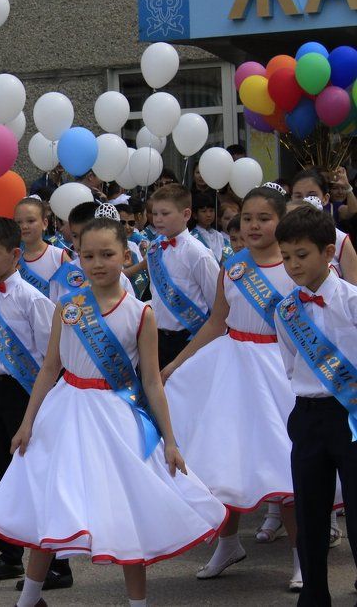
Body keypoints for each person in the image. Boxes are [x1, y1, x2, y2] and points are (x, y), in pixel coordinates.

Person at [0, 217, 228, 607]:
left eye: (107, 254)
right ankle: (29, 599)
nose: (97, 262)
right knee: (52, 503)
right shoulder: (67, 307)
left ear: (126, 256)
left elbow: (152, 381)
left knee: (127, 508)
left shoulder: (142, 313)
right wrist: (27, 422)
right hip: (65, 412)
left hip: (116, 416)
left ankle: (137, 602)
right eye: (88, 255)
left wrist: (170, 440)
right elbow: (50, 368)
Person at [161, 187, 302, 588]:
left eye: (263, 218)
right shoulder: (234, 266)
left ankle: (300, 557)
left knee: (283, 469)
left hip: (279, 374)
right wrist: (176, 363)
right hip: (232, 371)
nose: (253, 225)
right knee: (225, 463)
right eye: (247, 218)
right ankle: (227, 544)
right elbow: (216, 321)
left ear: (281, 221)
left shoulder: (294, 266)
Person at [0, 218, 68, 589]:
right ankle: (8, 553)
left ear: (14, 255)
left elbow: (50, 357)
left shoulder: (33, 300)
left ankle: (56, 562)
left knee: (35, 475)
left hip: (27, 393)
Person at [272, 205, 357, 606]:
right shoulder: (285, 310)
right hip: (307, 415)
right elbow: (291, 364)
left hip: (351, 414)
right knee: (309, 510)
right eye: (286, 256)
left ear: (328, 252)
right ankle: (315, 594)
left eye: (301, 255)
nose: (292, 265)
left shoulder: (352, 301)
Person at [146, 184, 220, 369]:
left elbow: (216, 302)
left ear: (186, 215)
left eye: (165, 213)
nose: (158, 219)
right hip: (156, 337)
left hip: (189, 338)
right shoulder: (154, 249)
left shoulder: (199, 253)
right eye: (155, 214)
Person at [290, 170, 357, 284]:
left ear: (325, 198)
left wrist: (347, 187)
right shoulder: (280, 235)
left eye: (312, 195)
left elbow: (354, 288)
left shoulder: (340, 239)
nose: (305, 201)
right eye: (298, 196)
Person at [13, 198, 72, 301]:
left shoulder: (58, 256)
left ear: (44, 223)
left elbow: (78, 288)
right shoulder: (12, 258)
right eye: (18, 222)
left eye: (30, 221)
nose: (24, 226)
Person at [191, 192, 229, 262]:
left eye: (211, 211)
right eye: (204, 211)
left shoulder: (219, 235)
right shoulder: (192, 237)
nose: (208, 215)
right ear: (195, 215)